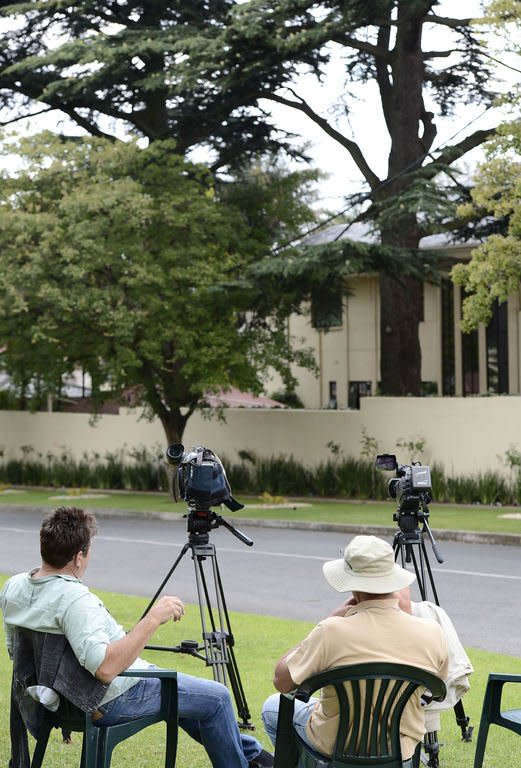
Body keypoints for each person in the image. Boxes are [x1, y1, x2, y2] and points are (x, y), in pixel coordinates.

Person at [0, 506, 273, 768]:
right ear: (79, 557)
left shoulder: (14, 587)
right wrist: (153, 618)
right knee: (217, 698)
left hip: (55, 699)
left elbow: (17, 653)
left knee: (192, 701)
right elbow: (105, 669)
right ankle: (250, 760)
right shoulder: (74, 600)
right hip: (108, 697)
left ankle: (257, 757)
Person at [262, 535, 449, 767]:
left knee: (272, 708)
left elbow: (282, 681)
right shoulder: (432, 632)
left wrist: (330, 619)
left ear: (352, 585)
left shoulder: (331, 631)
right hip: (399, 748)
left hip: (334, 744)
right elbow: (435, 690)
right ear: (392, 581)